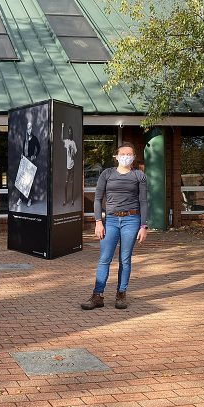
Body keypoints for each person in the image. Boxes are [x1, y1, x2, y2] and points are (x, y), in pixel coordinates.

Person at [81, 145, 148, 310]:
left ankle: (121, 294)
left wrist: (143, 226)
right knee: (104, 258)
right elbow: (97, 199)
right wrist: (98, 222)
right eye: (123, 154)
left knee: (125, 259)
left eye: (129, 154)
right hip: (110, 220)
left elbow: (143, 202)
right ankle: (98, 296)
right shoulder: (107, 174)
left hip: (131, 220)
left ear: (134, 156)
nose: (126, 156)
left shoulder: (139, 175)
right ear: (116, 156)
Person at [62, 123, 79, 206]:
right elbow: (61, 139)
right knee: (66, 183)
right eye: (68, 132)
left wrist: (72, 152)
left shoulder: (73, 143)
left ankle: (72, 200)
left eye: (71, 132)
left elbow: (75, 155)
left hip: (73, 166)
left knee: (72, 183)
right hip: (67, 166)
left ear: (72, 133)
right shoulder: (67, 141)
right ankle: (65, 200)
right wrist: (62, 128)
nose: (70, 133)